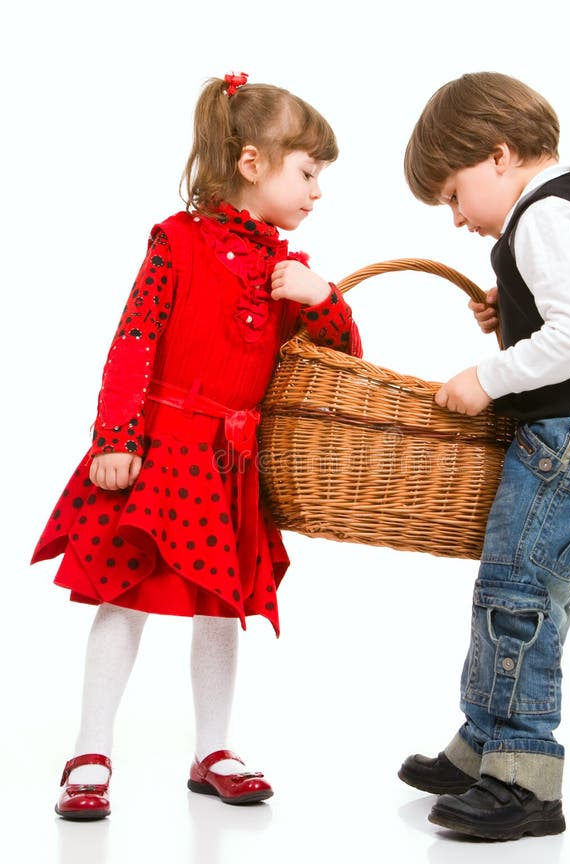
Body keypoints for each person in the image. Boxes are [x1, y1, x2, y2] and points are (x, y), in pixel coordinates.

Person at [31, 72, 361, 821]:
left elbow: (340, 366)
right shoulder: (176, 242)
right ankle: (91, 746)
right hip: (157, 454)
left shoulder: (289, 273)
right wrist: (116, 438)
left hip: (229, 467)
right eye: (307, 171)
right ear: (252, 163)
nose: (317, 190)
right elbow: (134, 340)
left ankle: (212, 747)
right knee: (122, 593)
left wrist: (324, 300)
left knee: (222, 606)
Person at [398, 72, 570, 840]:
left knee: (519, 605)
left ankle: (524, 777)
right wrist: (509, 312)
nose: (455, 218)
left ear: (499, 156)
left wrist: (489, 374)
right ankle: (484, 745)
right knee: (512, 593)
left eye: (451, 194)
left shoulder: (541, 217)